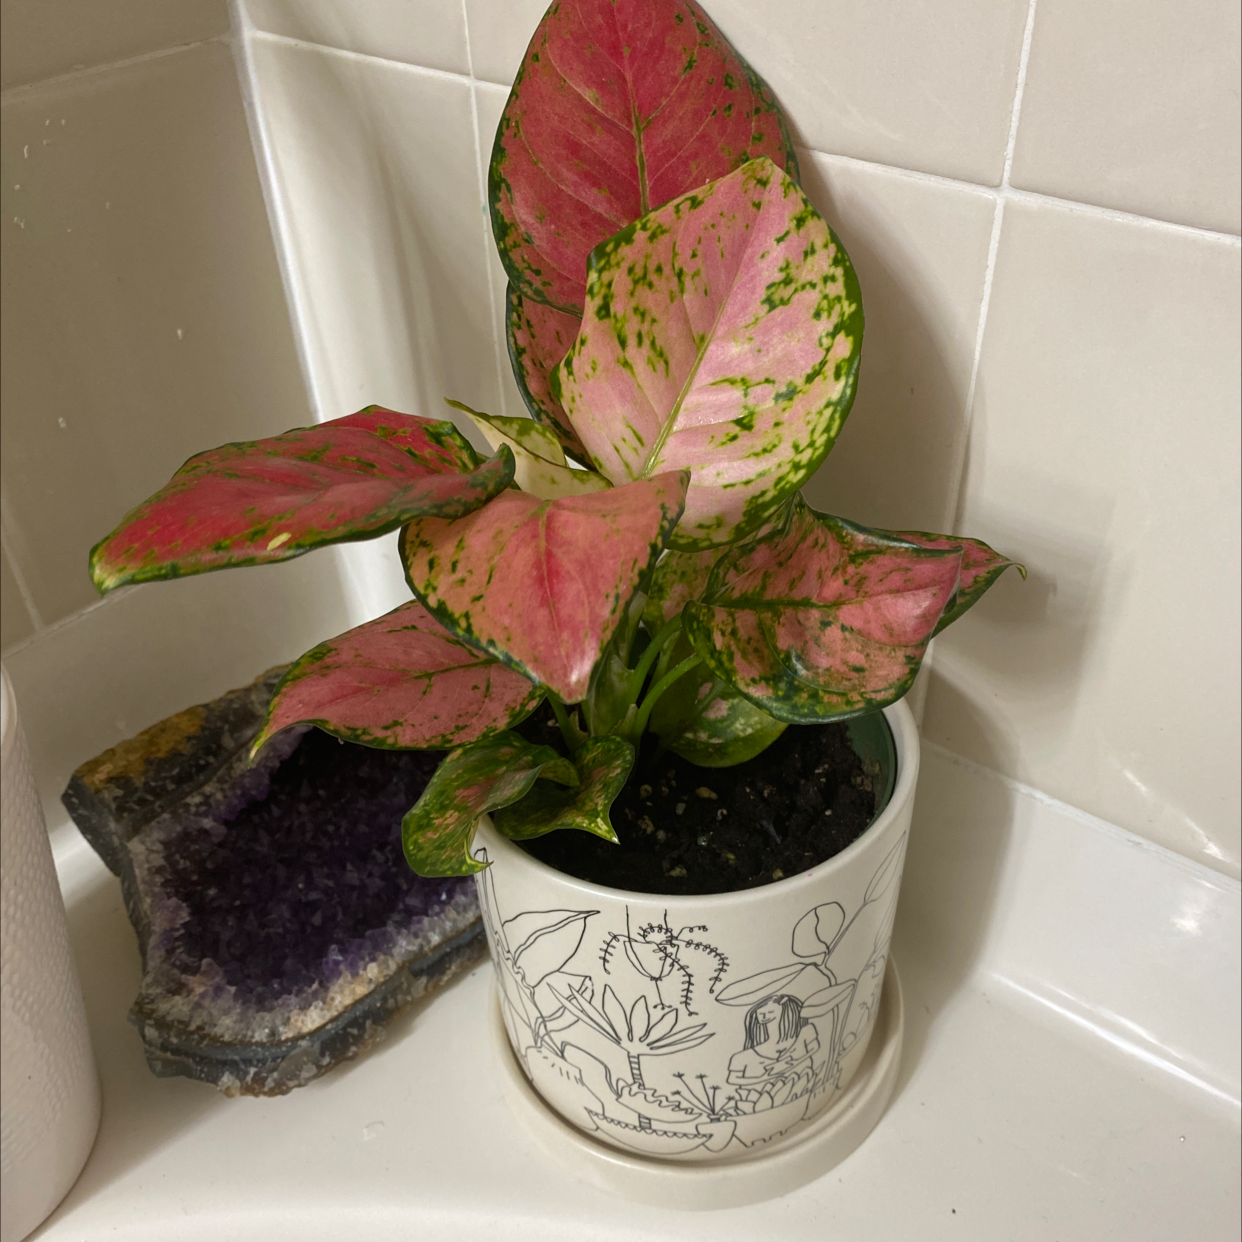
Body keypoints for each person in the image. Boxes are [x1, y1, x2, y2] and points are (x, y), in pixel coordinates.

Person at [726, 993, 820, 1110]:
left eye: (770, 1012)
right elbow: (732, 1079)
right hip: (757, 1102)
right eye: (760, 1013)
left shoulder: (804, 1034)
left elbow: (814, 1048)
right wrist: (765, 1076)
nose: (764, 1016)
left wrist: (787, 1063)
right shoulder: (741, 1057)